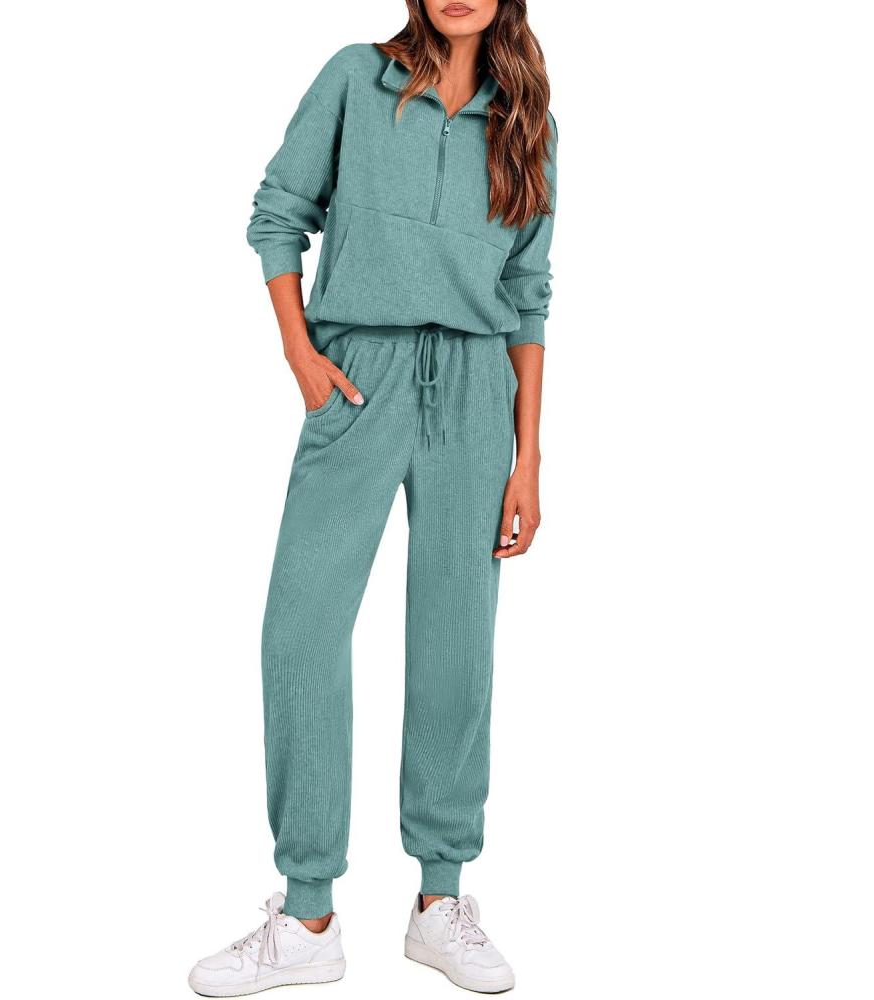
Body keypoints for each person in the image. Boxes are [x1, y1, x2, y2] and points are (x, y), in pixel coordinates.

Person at [189, 1, 556, 994]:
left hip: (477, 390)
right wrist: (300, 352)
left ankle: (441, 900)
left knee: (456, 643)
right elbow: (278, 211)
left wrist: (527, 455)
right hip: (357, 376)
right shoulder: (358, 77)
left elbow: (529, 291)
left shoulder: (524, 113)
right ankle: (307, 909)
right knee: (300, 630)